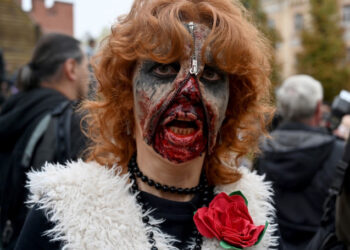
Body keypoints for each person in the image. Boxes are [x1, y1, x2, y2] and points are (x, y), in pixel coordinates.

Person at [15, 0, 278, 249]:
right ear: (126, 90)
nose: (189, 92)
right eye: (164, 69)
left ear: (231, 101)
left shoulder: (255, 212)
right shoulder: (62, 213)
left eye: (209, 74)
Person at [0, 33, 89, 249]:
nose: (90, 75)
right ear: (71, 68)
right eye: (86, 65)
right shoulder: (71, 120)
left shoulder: (13, 108)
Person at [256, 75, 345, 250]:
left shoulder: (261, 151)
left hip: (272, 243)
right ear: (319, 108)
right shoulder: (339, 152)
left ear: (280, 108)